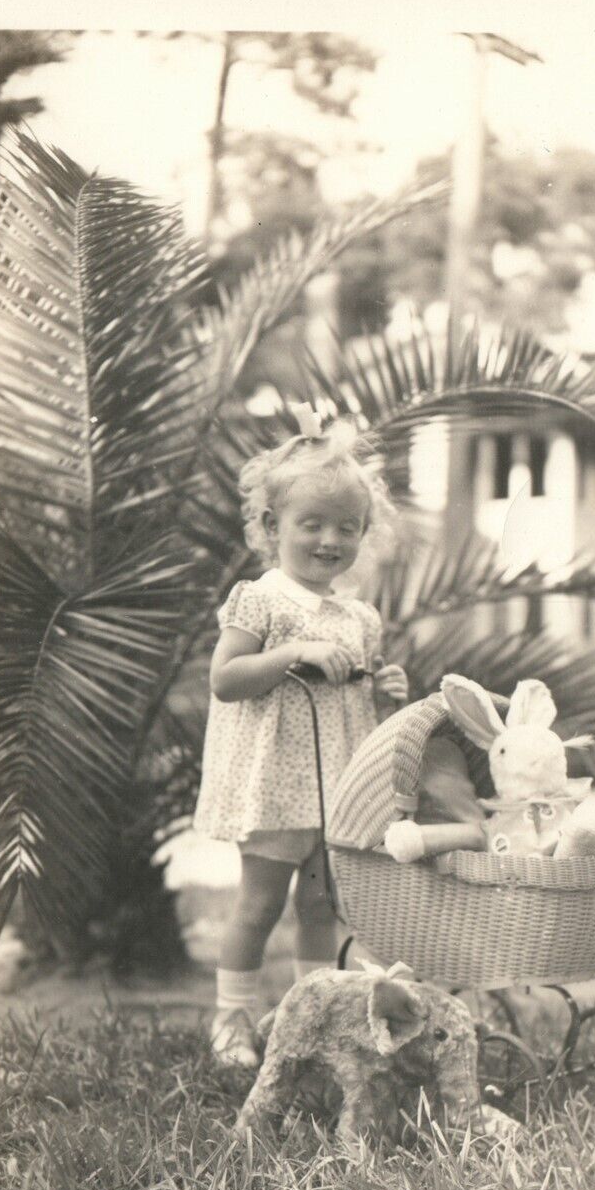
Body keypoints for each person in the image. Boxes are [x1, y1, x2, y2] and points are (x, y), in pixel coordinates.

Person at [194, 407, 408, 1067]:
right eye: (310, 523)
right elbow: (226, 679)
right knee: (259, 904)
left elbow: (352, 698)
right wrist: (294, 653)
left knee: (323, 902)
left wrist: (383, 690)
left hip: (336, 785)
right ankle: (232, 1017)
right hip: (272, 783)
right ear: (270, 527)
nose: (328, 540)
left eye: (347, 527)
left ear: (364, 533)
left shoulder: (359, 617)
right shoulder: (260, 600)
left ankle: (314, 1014)